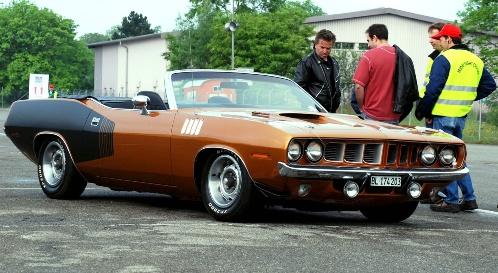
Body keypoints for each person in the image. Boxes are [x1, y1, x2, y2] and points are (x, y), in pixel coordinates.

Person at [415, 23, 496, 213]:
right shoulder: (475, 59)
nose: (439, 41)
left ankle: (451, 200)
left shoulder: (444, 58)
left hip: (443, 115)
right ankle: (469, 198)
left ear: (449, 40)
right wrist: (467, 97)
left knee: (445, 158)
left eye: (441, 38)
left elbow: (433, 88)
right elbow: (489, 85)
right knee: (458, 159)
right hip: (460, 114)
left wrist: (423, 110)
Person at [352, 24, 417, 124]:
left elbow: (358, 87)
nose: (368, 45)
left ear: (374, 38)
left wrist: (361, 108)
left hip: (371, 116)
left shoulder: (369, 56)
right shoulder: (403, 58)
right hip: (394, 117)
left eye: (368, 40)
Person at [295, 29, 341, 113]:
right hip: (313, 111)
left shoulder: (334, 63)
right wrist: (309, 106)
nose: (325, 51)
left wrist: (337, 104)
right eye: (322, 47)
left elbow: (336, 88)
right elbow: (299, 87)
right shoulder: (307, 62)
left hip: (331, 112)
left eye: (328, 48)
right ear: (315, 45)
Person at [419, 22, 445, 128]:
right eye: (430, 37)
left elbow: (435, 87)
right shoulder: (433, 57)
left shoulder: (445, 59)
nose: (430, 41)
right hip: (429, 106)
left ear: (444, 38)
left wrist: (428, 110)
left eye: (434, 37)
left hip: (437, 109)